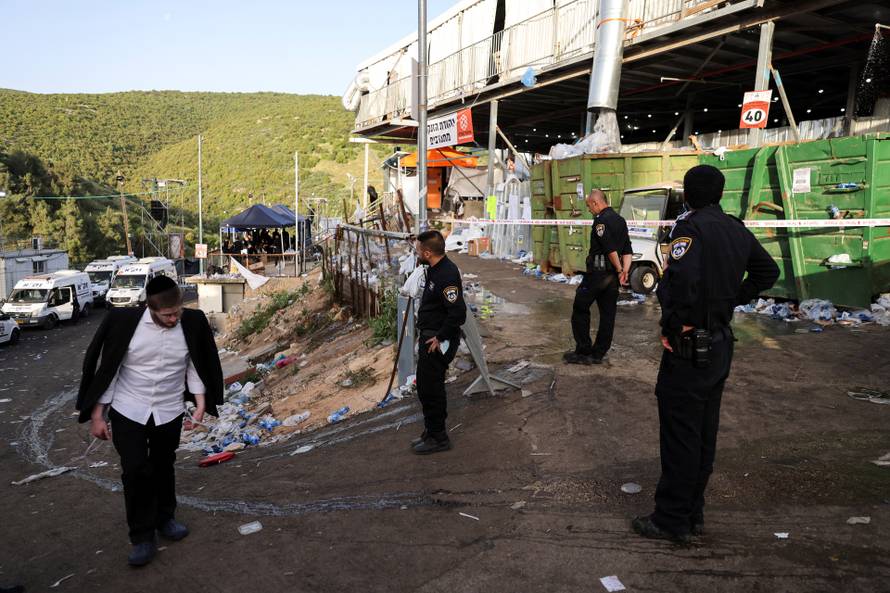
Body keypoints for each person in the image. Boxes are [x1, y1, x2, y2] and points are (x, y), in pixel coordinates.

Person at [632, 165, 779, 543]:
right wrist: (734, 299)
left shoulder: (689, 228)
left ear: (688, 195)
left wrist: (673, 325)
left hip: (689, 344)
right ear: (720, 193)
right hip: (719, 345)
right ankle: (693, 512)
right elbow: (767, 271)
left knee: (681, 434)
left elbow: (681, 282)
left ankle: (670, 519)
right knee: (703, 433)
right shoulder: (735, 228)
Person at [76, 276, 224, 566]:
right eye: (167, 315)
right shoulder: (125, 324)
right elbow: (110, 371)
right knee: (134, 470)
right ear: (150, 308)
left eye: (177, 312)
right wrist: (97, 415)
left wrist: (200, 404)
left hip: (168, 409)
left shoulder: (191, 322)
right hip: (129, 408)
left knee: (163, 464)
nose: (173, 319)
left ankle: (165, 519)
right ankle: (142, 536)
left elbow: (194, 364)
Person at [412, 230, 466, 455]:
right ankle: (431, 430)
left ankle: (439, 437)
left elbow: (458, 312)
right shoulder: (434, 269)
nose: (416, 253)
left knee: (432, 388)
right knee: (425, 387)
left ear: (427, 252)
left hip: (437, 340)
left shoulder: (446, 274)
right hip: (430, 335)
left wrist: (441, 336)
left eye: (417, 250)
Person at [564, 189, 632, 365]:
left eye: (589, 206)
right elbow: (627, 250)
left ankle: (583, 350)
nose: (589, 209)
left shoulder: (600, 222)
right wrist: (625, 270)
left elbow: (610, 248)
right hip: (612, 278)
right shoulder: (620, 220)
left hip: (597, 275)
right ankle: (598, 354)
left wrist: (618, 269)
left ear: (596, 203)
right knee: (608, 314)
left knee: (580, 307)